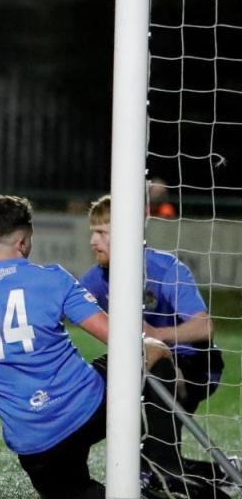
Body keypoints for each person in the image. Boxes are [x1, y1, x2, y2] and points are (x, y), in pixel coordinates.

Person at [0, 195, 191, 499]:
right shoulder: (52, 278)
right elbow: (120, 340)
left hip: (37, 444)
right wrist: (155, 347)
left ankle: (159, 472)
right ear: (24, 239)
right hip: (92, 408)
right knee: (150, 350)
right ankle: (165, 465)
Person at [80, 194, 231, 493]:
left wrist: (157, 336)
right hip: (146, 363)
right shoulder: (97, 279)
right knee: (145, 458)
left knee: (153, 371)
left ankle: (169, 472)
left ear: (127, 233)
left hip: (195, 363)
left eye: (101, 232)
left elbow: (205, 327)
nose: (92, 241)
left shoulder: (166, 269)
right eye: (92, 232)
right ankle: (218, 471)